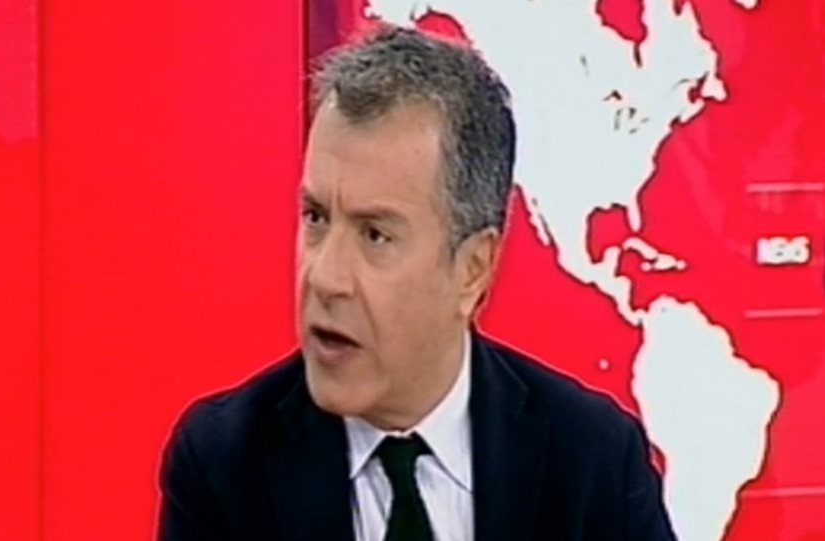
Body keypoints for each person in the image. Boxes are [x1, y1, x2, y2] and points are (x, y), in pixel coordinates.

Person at [157, 26, 676, 541]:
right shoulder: (224, 466)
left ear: (473, 268)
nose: (326, 277)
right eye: (316, 217)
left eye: (375, 234)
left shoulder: (593, 463)